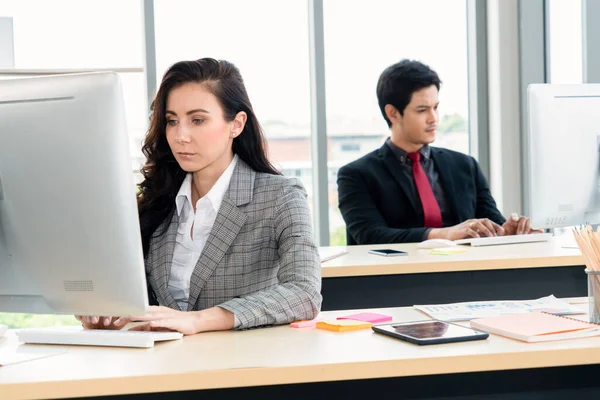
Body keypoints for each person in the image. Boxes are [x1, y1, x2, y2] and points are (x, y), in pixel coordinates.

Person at [77, 58, 322, 334]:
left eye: (198, 120)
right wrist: (108, 311)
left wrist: (199, 320)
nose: (181, 135)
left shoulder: (280, 197)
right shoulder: (158, 202)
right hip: (163, 366)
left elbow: (304, 293)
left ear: (236, 124)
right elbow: (143, 302)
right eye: (172, 121)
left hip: (245, 365)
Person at [337, 59, 541, 245]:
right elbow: (370, 235)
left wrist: (505, 231)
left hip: (465, 276)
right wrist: (444, 234)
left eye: (436, 107)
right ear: (393, 113)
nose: (433, 118)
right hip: (394, 280)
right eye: (422, 110)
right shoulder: (357, 175)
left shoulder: (465, 165)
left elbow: (490, 222)